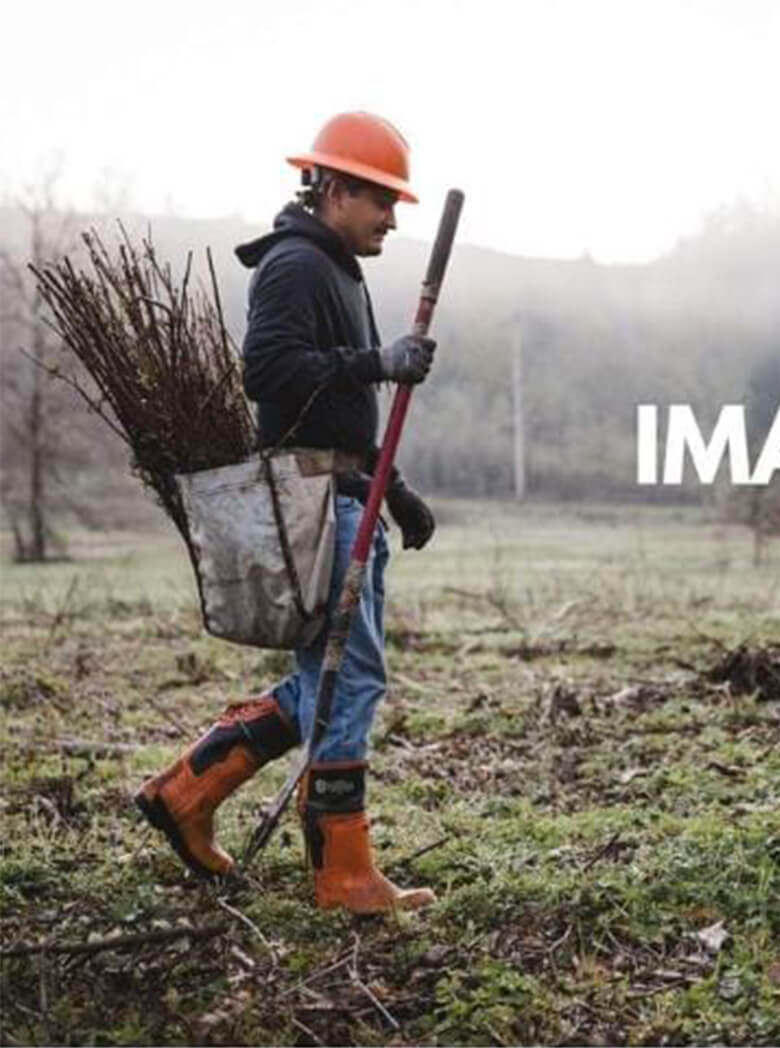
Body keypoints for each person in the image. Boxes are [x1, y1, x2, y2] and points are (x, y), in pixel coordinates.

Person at [136, 112, 438, 913]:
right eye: (381, 199)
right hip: (311, 503)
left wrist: (393, 490)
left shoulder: (338, 268)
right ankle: (341, 871)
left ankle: (188, 792)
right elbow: (266, 373)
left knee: (333, 674)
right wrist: (378, 361)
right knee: (350, 677)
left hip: (345, 493)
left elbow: (338, 416)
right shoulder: (296, 265)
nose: (391, 218)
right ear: (335, 189)